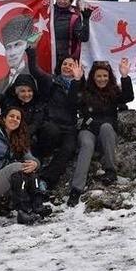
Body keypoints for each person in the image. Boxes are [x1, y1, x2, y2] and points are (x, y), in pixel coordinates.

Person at [68, 58, 134, 206]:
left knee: (106, 127)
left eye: (105, 76)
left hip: (106, 134)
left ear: (109, 77)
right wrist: (77, 80)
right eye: (99, 76)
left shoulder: (113, 91)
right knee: (86, 145)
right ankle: (76, 188)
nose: (102, 79)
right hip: (88, 130)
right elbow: (72, 101)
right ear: (93, 77)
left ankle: (111, 170)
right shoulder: (85, 90)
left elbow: (128, 97)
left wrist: (125, 77)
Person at [0, 100, 47, 225]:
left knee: (28, 169)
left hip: (11, 182)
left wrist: (35, 164)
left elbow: (30, 157)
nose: (14, 119)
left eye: (18, 118)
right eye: (11, 116)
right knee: (16, 167)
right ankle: (25, 209)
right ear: (4, 118)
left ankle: (34, 207)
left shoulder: (19, 138)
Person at [26, 47, 84, 191]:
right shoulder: (50, 80)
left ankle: (46, 180)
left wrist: (77, 81)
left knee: (69, 149)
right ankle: (36, 159)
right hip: (50, 123)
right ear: (60, 66)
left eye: (71, 65)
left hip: (69, 127)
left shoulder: (81, 87)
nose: (67, 67)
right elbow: (35, 70)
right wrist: (31, 50)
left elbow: (73, 103)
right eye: (65, 64)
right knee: (51, 132)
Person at [51, 0, 91, 70]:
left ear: (70, 1)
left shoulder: (74, 16)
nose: (62, 1)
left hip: (66, 62)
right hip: (47, 57)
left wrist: (86, 19)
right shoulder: (48, 13)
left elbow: (83, 37)